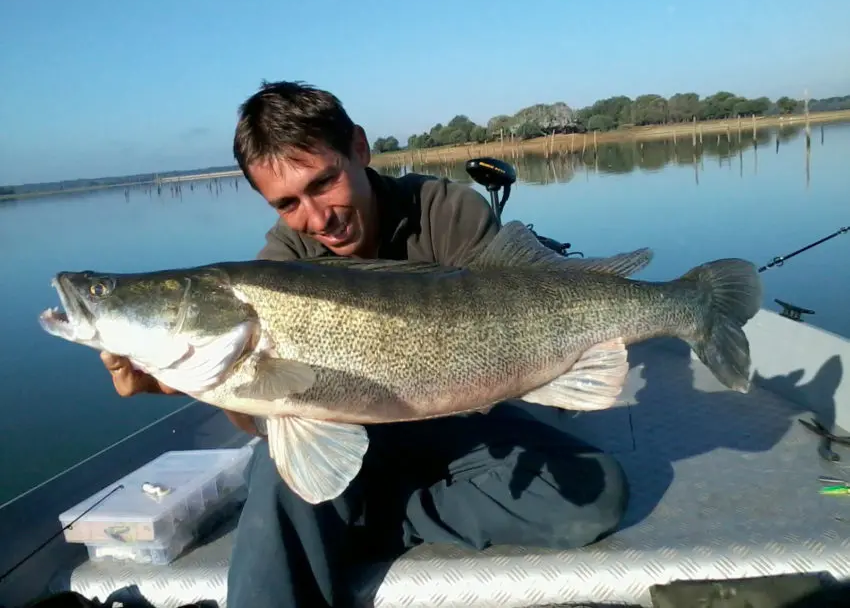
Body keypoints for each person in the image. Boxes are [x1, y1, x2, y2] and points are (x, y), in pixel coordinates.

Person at [101, 80, 629, 608]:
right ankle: (342, 523)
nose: (317, 218)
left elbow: (520, 311)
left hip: (462, 421)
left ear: (358, 148)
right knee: (278, 477)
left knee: (593, 495)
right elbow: (268, 415)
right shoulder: (277, 269)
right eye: (287, 204)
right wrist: (190, 384)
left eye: (324, 182)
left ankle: (370, 520)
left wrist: (569, 354)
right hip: (347, 430)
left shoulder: (446, 212)